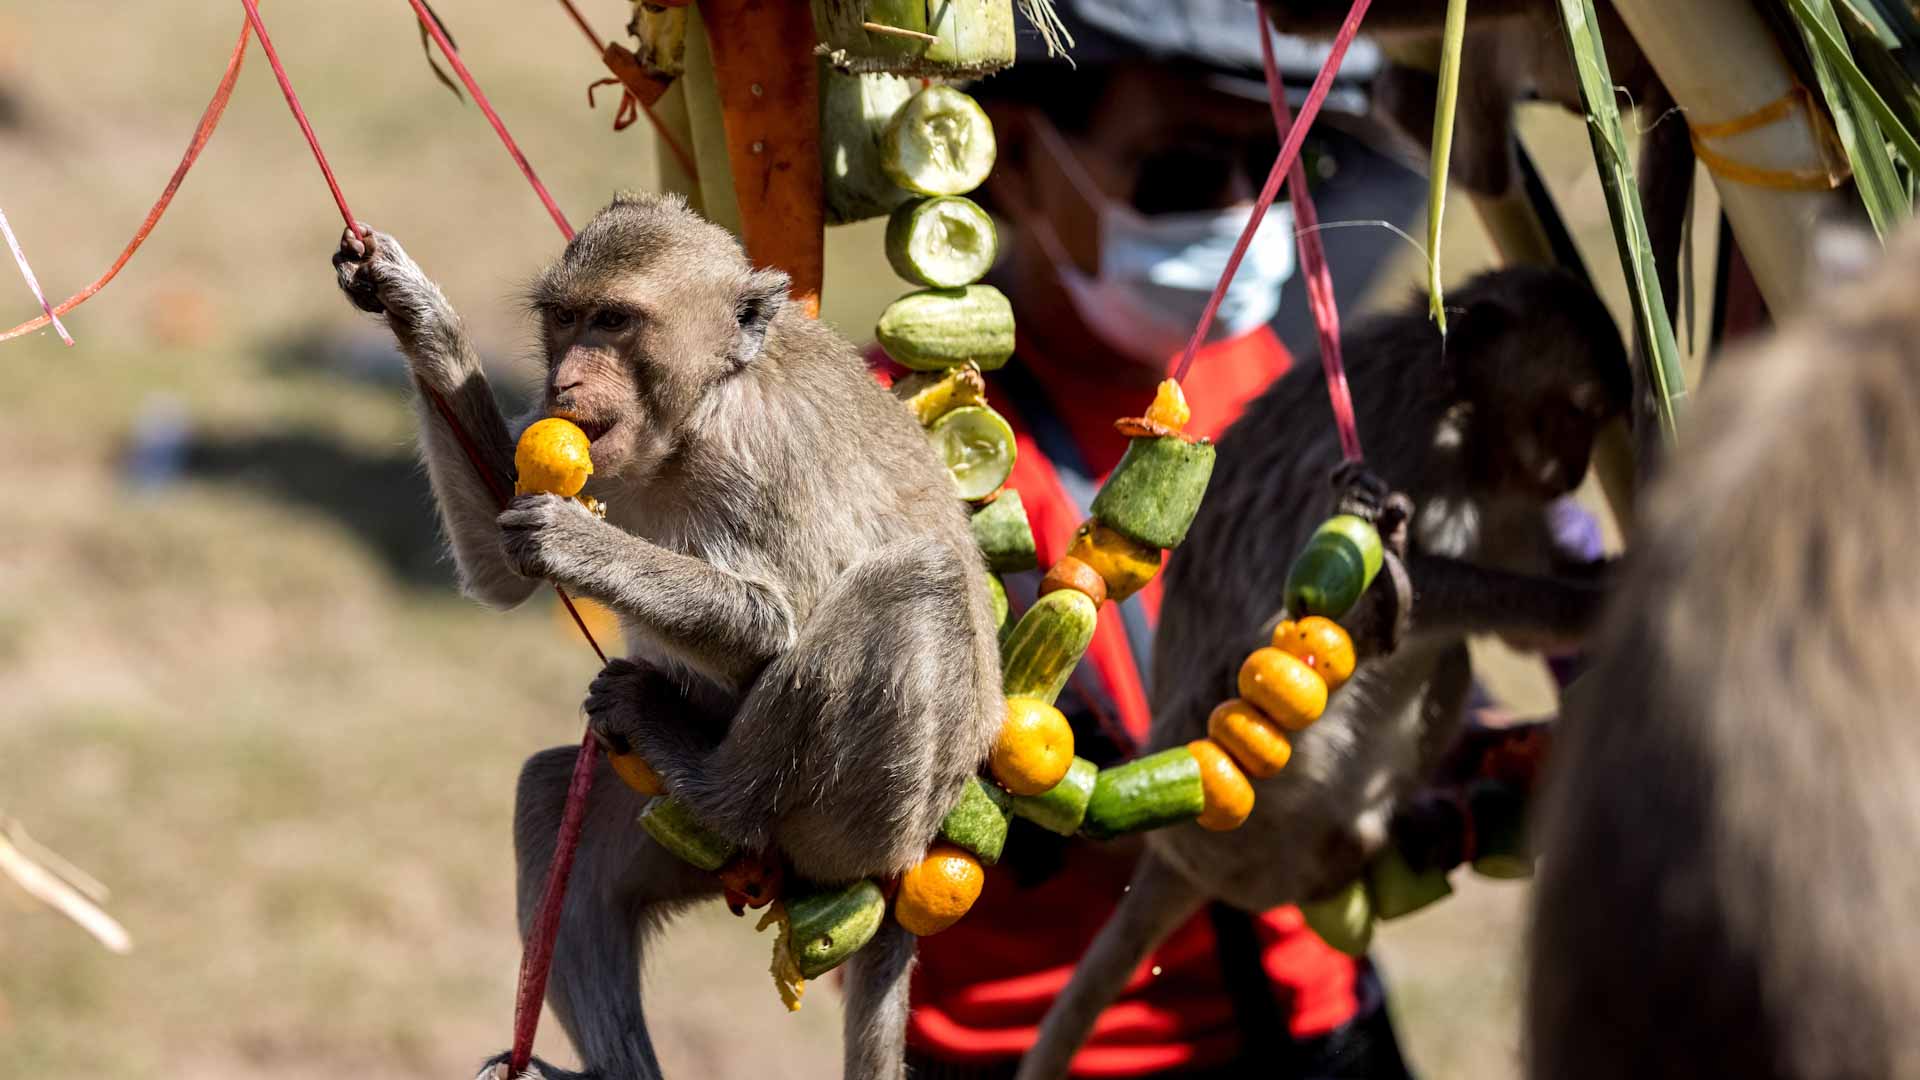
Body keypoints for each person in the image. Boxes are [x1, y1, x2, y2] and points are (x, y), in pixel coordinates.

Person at [866, 3, 1434, 1076]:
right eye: (1178, 172)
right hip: (1044, 1052)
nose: (1237, 211)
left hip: (1322, 1023)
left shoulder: (1272, 377)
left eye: (1264, 165)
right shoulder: (901, 435)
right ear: (1019, 158)